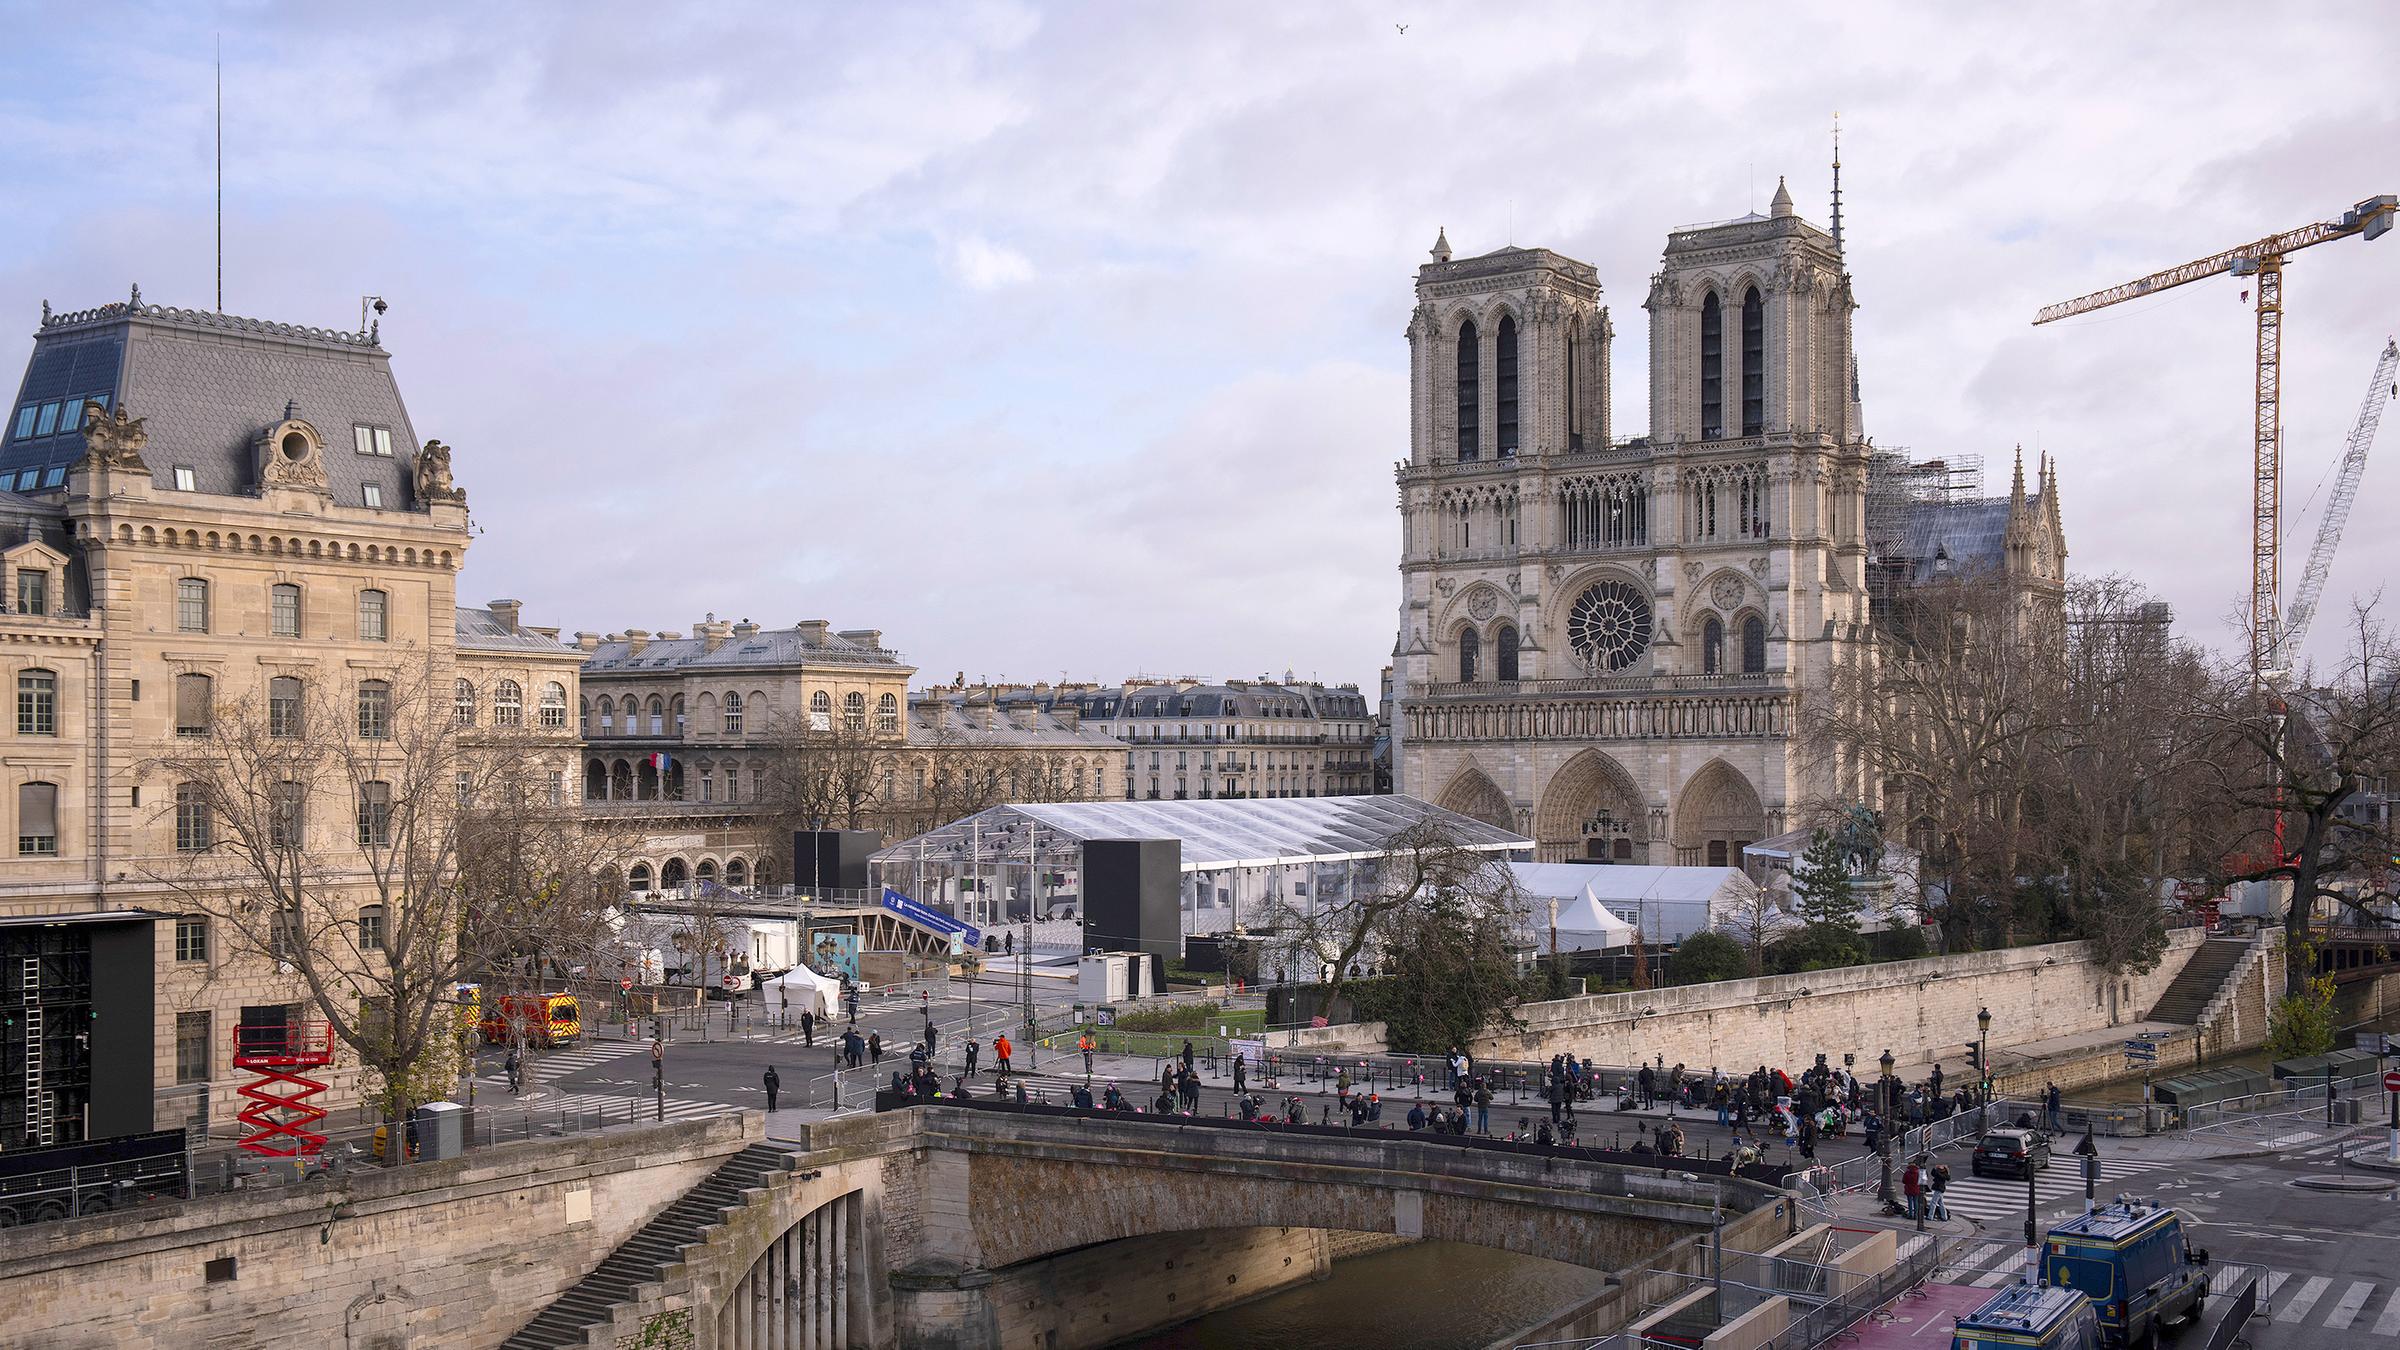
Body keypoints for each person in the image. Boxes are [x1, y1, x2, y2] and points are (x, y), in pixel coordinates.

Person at [1901, 1159, 1924, 1223]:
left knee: (1910, 1202)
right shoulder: (1918, 1173)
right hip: (1916, 1189)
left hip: (1909, 1189)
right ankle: (1916, 1215)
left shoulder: (1907, 1173)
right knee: (1916, 1202)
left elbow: (1904, 1181)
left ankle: (1911, 1214)